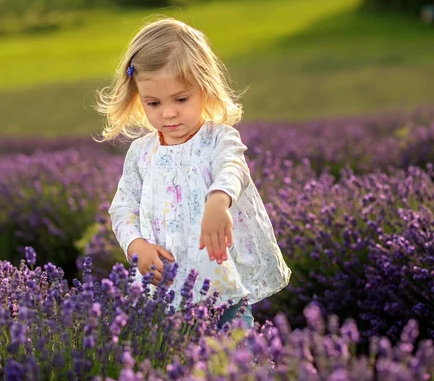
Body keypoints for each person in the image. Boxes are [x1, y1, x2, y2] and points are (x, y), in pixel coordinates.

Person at [97, 17, 291, 329]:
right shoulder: (141, 153)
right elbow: (123, 208)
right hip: (164, 286)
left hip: (219, 281)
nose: (168, 112)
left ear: (205, 88)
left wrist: (218, 200)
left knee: (236, 357)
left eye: (181, 99)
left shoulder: (219, 139)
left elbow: (233, 168)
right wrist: (136, 246)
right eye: (153, 103)